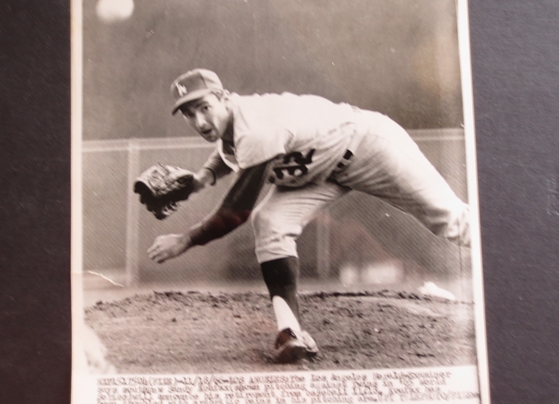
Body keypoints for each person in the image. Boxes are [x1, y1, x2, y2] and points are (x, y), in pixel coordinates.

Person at [147, 69, 470, 363]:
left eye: (204, 108)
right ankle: (292, 331)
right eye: (190, 114)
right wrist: (200, 180)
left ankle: (508, 268)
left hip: (367, 146)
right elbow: (228, 152)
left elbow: (235, 213)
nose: (200, 121)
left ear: (224, 97)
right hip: (319, 172)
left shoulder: (257, 126)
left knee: (449, 219)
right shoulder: (235, 125)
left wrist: (184, 240)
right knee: (270, 222)